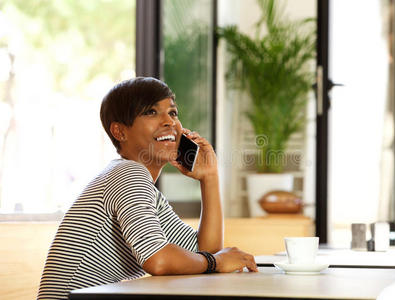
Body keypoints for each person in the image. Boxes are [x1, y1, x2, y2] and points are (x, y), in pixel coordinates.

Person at [37, 77, 257, 299]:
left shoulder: (143, 188)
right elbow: (159, 260)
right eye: (151, 112)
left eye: (172, 113)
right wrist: (216, 262)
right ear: (119, 132)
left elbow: (204, 253)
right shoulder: (128, 174)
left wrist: (209, 177)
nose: (169, 122)